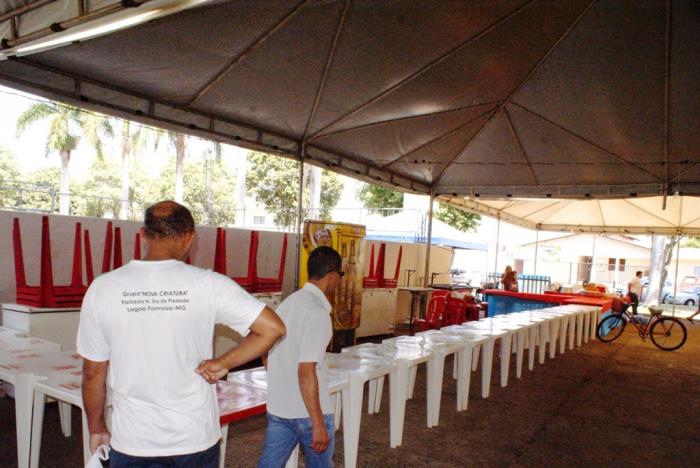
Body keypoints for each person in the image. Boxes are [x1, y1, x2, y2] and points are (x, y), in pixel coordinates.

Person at [77, 200, 285, 467]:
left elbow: (93, 372)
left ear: (143, 235)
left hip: (133, 440)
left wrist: (97, 428)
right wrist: (224, 363)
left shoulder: (102, 288)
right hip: (194, 437)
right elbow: (273, 328)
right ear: (189, 237)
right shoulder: (209, 285)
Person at [258, 246, 342, 468]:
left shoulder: (288, 303)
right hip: (308, 414)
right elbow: (306, 370)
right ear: (333, 275)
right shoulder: (317, 313)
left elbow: (263, 347)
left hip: (279, 409)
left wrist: (279, 375)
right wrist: (318, 424)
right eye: (340, 276)